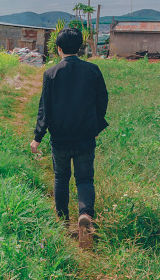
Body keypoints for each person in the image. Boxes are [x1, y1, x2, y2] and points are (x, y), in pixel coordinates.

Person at [30, 28, 109, 249]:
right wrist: (96, 125)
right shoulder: (93, 70)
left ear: (59, 49)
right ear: (81, 49)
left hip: (61, 139)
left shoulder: (51, 74)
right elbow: (102, 100)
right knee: (84, 179)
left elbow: (45, 109)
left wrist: (38, 137)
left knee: (61, 178)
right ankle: (85, 216)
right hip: (85, 137)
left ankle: (63, 222)